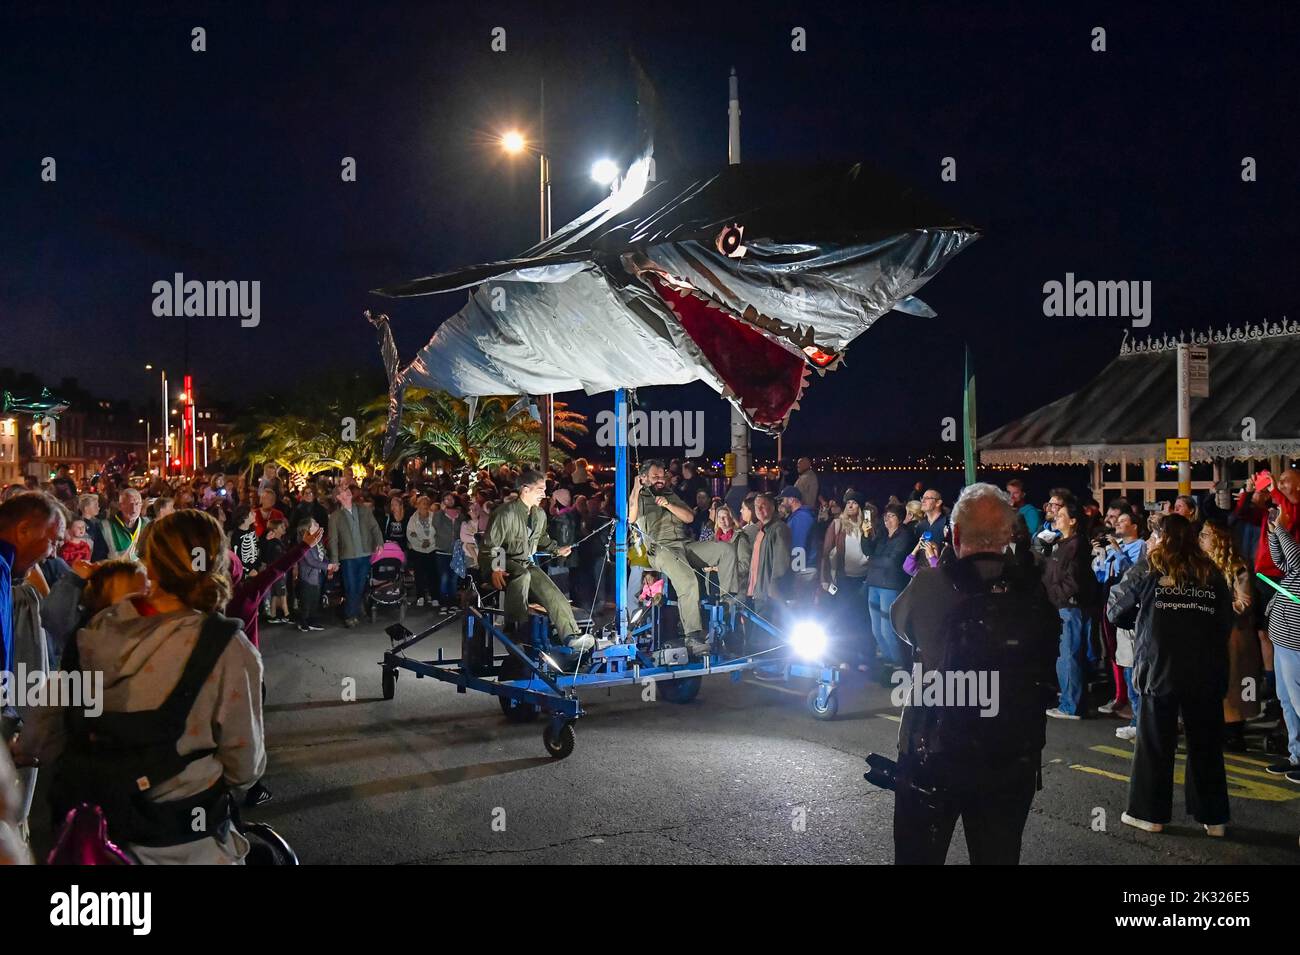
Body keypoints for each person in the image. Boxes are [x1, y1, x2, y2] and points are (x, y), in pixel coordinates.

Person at [25, 509, 265, 863]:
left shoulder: (92, 633)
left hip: (97, 841)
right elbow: (244, 766)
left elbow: (44, 736)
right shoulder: (228, 649)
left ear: (148, 563)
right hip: (189, 843)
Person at [889, 483, 1060, 864]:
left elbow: (899, 624)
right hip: (1012, 754)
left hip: (935, 750)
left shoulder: (933, 583)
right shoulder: (1032, 588)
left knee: (918, 855)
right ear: (1007, 535)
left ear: (956, 533)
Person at [1107, 514, 1232, 836]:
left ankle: (1149, 814)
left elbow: (1116, 608)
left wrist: (1143, 618)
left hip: (1160, 666)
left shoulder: (1150, 566)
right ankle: (1214, 817)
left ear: (1160, 537)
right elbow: (1224, 623)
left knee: (1154, 744)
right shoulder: (1210, 571)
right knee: (1205, 744)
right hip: (1205, 668)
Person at [630, 460, 738, 657]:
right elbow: (631, 517)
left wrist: (669, 504)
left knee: (725, 550)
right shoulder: (641, 497)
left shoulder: (671, 494)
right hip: (662, 549)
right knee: (688, 581)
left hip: (684, 544)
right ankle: (692, 635)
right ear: (644, 478)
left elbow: (689, 517)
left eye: (663, 476)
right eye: (655, 477)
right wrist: (636, 490)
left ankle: (728, 602)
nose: (661, 479)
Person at [483, 470, 589, 653]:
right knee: (522, 575)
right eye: (539, 489)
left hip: (526, 562)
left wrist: (557, 549)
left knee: (553, 593)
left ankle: (571, 636)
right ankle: (515, 630)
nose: (543, 493)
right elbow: (492, 546)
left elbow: (542, 540)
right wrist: (497, 568)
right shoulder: (504, 513)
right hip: (502, 561)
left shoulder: (539, 514)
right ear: (525, 489)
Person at [1199, 521, 1261, 751]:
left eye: (1206, 534)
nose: (1201, 538)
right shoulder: (1202, 564)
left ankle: (1235, 734)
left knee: (1238, 685)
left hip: (1235, 634)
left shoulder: (1237, 566)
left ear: (1219, 539)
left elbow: (1245, 602)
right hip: (1212, 633)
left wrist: (1219, 606)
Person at [1044, 498, 1100, 719]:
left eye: (1061, 515)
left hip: (1070, 607)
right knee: (1067, 656)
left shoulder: (1076, 545)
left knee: (1069, 656)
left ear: (1073, 520)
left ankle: (1072, 705)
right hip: (1064, 606)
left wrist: (1054, 597)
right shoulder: (1063, 543)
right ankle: (1071, 699)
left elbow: (1073, 580)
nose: (1056, 517)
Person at [1263, 507, 1300, 782]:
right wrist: (1273, 532)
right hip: (1282, 639)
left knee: (1299, 702)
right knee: (1287, 702)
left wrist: (1281, 528)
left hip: (1295, 642)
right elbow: (1282, 563)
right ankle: (1296, 755)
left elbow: (1297, 562)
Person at [820, 491, 872, 668]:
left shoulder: (867, 525)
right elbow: (825, 554)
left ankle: (864, 658)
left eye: (855, 503)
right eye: (848, 502)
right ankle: (845, 658)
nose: (850, 505)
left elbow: (872, 547)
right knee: (845, 620)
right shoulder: (837, 525)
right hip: (844, 579)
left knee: (863, 620)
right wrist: (824, 579)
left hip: (864, 578)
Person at [864, 503, 914, 676]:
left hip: (890, 586)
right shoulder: (882, 535)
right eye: (886, 516)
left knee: (888, 629)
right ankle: (888, 664)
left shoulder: (904, 536)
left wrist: (872, 561)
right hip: (874, 584)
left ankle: (900, 666)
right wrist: (865, 535)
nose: (887, 519)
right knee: (876, 629)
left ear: (900, 519)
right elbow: (867, 550)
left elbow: (892, 562)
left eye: (891, 516)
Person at [327, 484, 383, 628]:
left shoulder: (363, 509)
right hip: (348, 557)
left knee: (359, 586)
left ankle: (352, 611)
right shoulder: (335, 517)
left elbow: (374, 527)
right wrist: (334, 560)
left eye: (347, 490)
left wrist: (379, 542)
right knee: (350, 586)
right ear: (339, 497)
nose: (348, 492)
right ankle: (350, 615)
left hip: (365, 553)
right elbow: (333, 540)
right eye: (344, 491)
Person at [779, 485, 819, 602]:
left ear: (792, 500)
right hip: (803, 568)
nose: (781, 503)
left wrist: (795, 571)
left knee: (801, 605)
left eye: (783, 500)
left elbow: (798, 546)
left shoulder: (801, 517)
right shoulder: (798, 516)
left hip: (803, 569)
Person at [92, 487, 149, 561]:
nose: (134, 509)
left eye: (137, 504)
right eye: (129, 504)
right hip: (116, 571)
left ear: (141, 505)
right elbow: (98, 560)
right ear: (120, 506)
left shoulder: (148, 525)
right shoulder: (105, 527)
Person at [295, 519, 329, 632]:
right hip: (307, 577)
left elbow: (322, 556)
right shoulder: (304, 544)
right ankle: (302, 621)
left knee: (315, 599)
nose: (318, 524)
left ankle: (312, 620)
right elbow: (311, 561)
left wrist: (329, 565)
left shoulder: (317, 541)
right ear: (308, 529)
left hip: (317, 575)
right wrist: (327, 566)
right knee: (306, 600)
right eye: (314, 524)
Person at [406, 495, 438, 608]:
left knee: (432, 574)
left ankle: (434, 596)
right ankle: (420, 596)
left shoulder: (433, 517)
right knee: (419, 574)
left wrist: (428, 541)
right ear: (418, 505)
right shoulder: (413, 519)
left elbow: (437, 532)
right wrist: (420, 542)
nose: (424, 505)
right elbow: (410, 534)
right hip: (418, 550)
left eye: (426, 503)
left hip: (432, 548)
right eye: (422, 503)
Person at [432, 491, 463, 608]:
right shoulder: (439, 515)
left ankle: (453, 601)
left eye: (451, 499)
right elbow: (435, 525)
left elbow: (464, 529)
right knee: (444, 577)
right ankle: (444, 602)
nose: (449, 501)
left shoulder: (460, 515)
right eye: (446, 499)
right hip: (442, 550)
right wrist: (441, 511)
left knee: (454, 578)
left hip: (456, 552)